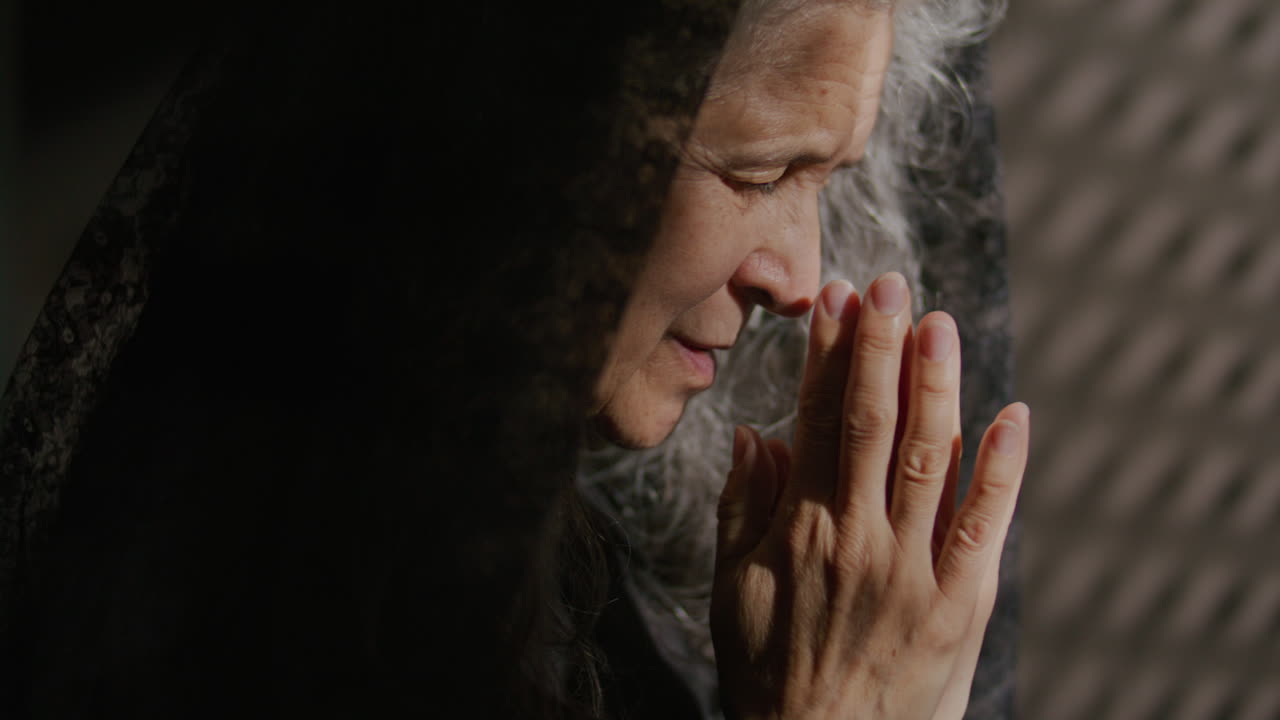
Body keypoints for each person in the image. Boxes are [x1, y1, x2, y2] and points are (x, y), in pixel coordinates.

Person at [0, 0, 1020, 718]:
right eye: (755, 172)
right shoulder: (242, 609)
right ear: (544, 147)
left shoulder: (551, 570)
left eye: (826, 177)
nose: (798, 279)